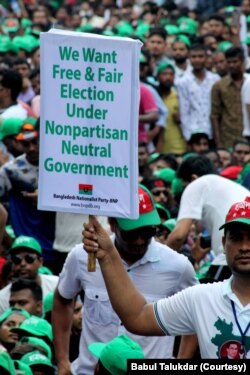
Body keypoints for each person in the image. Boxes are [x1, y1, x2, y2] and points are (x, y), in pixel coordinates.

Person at [52, 185, 198, 375]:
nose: (139, 241)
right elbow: (63, 299)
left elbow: (195, 314)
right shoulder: (83, 256)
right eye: (130, 233)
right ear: (113, 224)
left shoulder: (177, 266)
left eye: (147, 232)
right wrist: (63, 362)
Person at [83, 195, 250, 358]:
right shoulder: (201, 297)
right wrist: (108, 255)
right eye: (236, 238)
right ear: (223, 243)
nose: (244, 247)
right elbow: (137, 317)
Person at [166, 155, 249, 265]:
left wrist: (160, 262)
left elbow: (178, 236)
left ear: (193, 179)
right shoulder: (233, 186)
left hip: (231, 258)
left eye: (184, 186)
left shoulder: (197, 184)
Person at [0, 236, 58, 315]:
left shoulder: (57, 285)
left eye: (29, 258)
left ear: (40, 262)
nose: (23, 264)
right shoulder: (2, 298)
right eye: (17, 259)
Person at [177, 44, 220, 142]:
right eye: (194, 57)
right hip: (193, 132)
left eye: (200, 56)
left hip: (212, 131)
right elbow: (184, 110)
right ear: (189, 58)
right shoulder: (183, 82)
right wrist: (187, 136)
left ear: (206, 58)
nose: (197, 60)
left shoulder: (215, 79)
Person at [211, 46, 247, 148]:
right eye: (229, 62)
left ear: (242, 61)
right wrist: (218, 142)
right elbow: (214, 115)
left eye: (235, 62)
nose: (232, 65)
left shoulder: (248, 83)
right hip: (228, 137)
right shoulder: (219, 86)